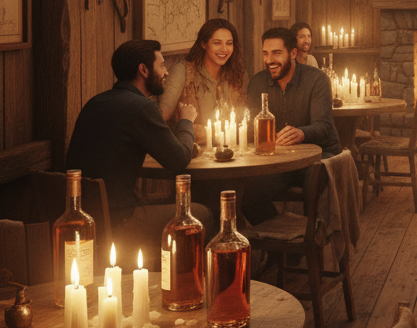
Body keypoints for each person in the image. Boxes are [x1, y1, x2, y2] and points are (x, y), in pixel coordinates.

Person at [66, 40, 212, 267]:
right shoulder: (141, 107)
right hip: (118, 220)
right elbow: (178, 160)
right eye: (162, 65)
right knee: (202, 213)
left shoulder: (95, 102)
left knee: (169, 203)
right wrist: (186, 121)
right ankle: (184, 284)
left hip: (83, 217)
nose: (166, 73)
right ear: (143, 70)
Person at [243, 27, 341, 224]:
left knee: (313, 183)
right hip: (278, 161)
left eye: (277, 53)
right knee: (248, 194)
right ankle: (279, 247)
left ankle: (308, 240)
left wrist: (302, 133)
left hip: (319, 155)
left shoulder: (316, 80)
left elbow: (324, 126)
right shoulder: (257, 83)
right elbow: (252, 128)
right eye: (265, 53)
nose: (269, 60)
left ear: (293, 53)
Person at [159, 18, 248, 140]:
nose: (224, 49)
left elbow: (244, 119)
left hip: (233, 151)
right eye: (217, 43)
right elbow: (162, 114)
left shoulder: (239, 74)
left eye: (229, 43)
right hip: (190, 151)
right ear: (204, 44)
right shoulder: (183, 70)